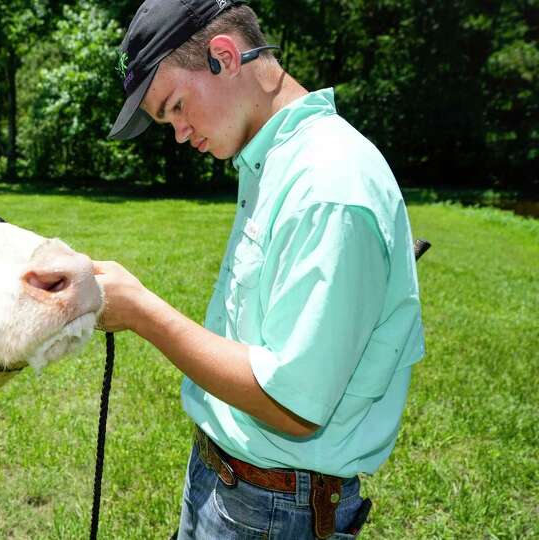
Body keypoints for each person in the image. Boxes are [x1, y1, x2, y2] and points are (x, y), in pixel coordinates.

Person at [94, 1, 425, 538]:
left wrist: (141, 312)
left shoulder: (330, 185)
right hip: (240, 483)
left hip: (277, 509)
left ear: (224, 56)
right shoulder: (275, 159)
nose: (179, 133)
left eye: (175, 106)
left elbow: (291, 404)